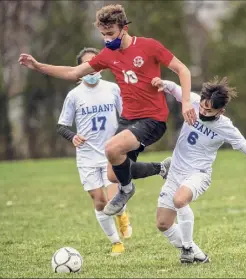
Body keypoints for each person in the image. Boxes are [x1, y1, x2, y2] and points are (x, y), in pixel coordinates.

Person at [18, 4, 196, 216]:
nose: (107, 39)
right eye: (103, 35)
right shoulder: (107, 55)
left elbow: (182, 70)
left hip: (152, 120)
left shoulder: (149, 46)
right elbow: (74, 73)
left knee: (111, 149)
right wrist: (39, 66)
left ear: (124, 29)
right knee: (112, 174)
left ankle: (126, 190)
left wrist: (185, 102)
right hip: (128, 120)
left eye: (111, 34)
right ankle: (161, 169)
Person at [151, 77, 246, 264]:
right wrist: (161, 83)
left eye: (210, 110)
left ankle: (188, 248)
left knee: (180, 200)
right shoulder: (195, 101)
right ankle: (198, 255)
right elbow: (174, 88)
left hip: (198, 174)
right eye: (203, 107)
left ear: (221, 111)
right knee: (163, 224)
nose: (204, 112)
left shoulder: (226, 128)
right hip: (174, 171)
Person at [57, 47, 171, 256]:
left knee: (113, 200)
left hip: (111, 153)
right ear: (80, 68)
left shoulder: (113, 89)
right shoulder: (74, 96)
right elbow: (61, 125)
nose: (92, 70)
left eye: (95, 63)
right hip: (86, 156)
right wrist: (72, 136)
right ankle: (116, 242)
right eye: (87, 65)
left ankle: (121, 215)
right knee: (99, 202)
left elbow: (127, 115)